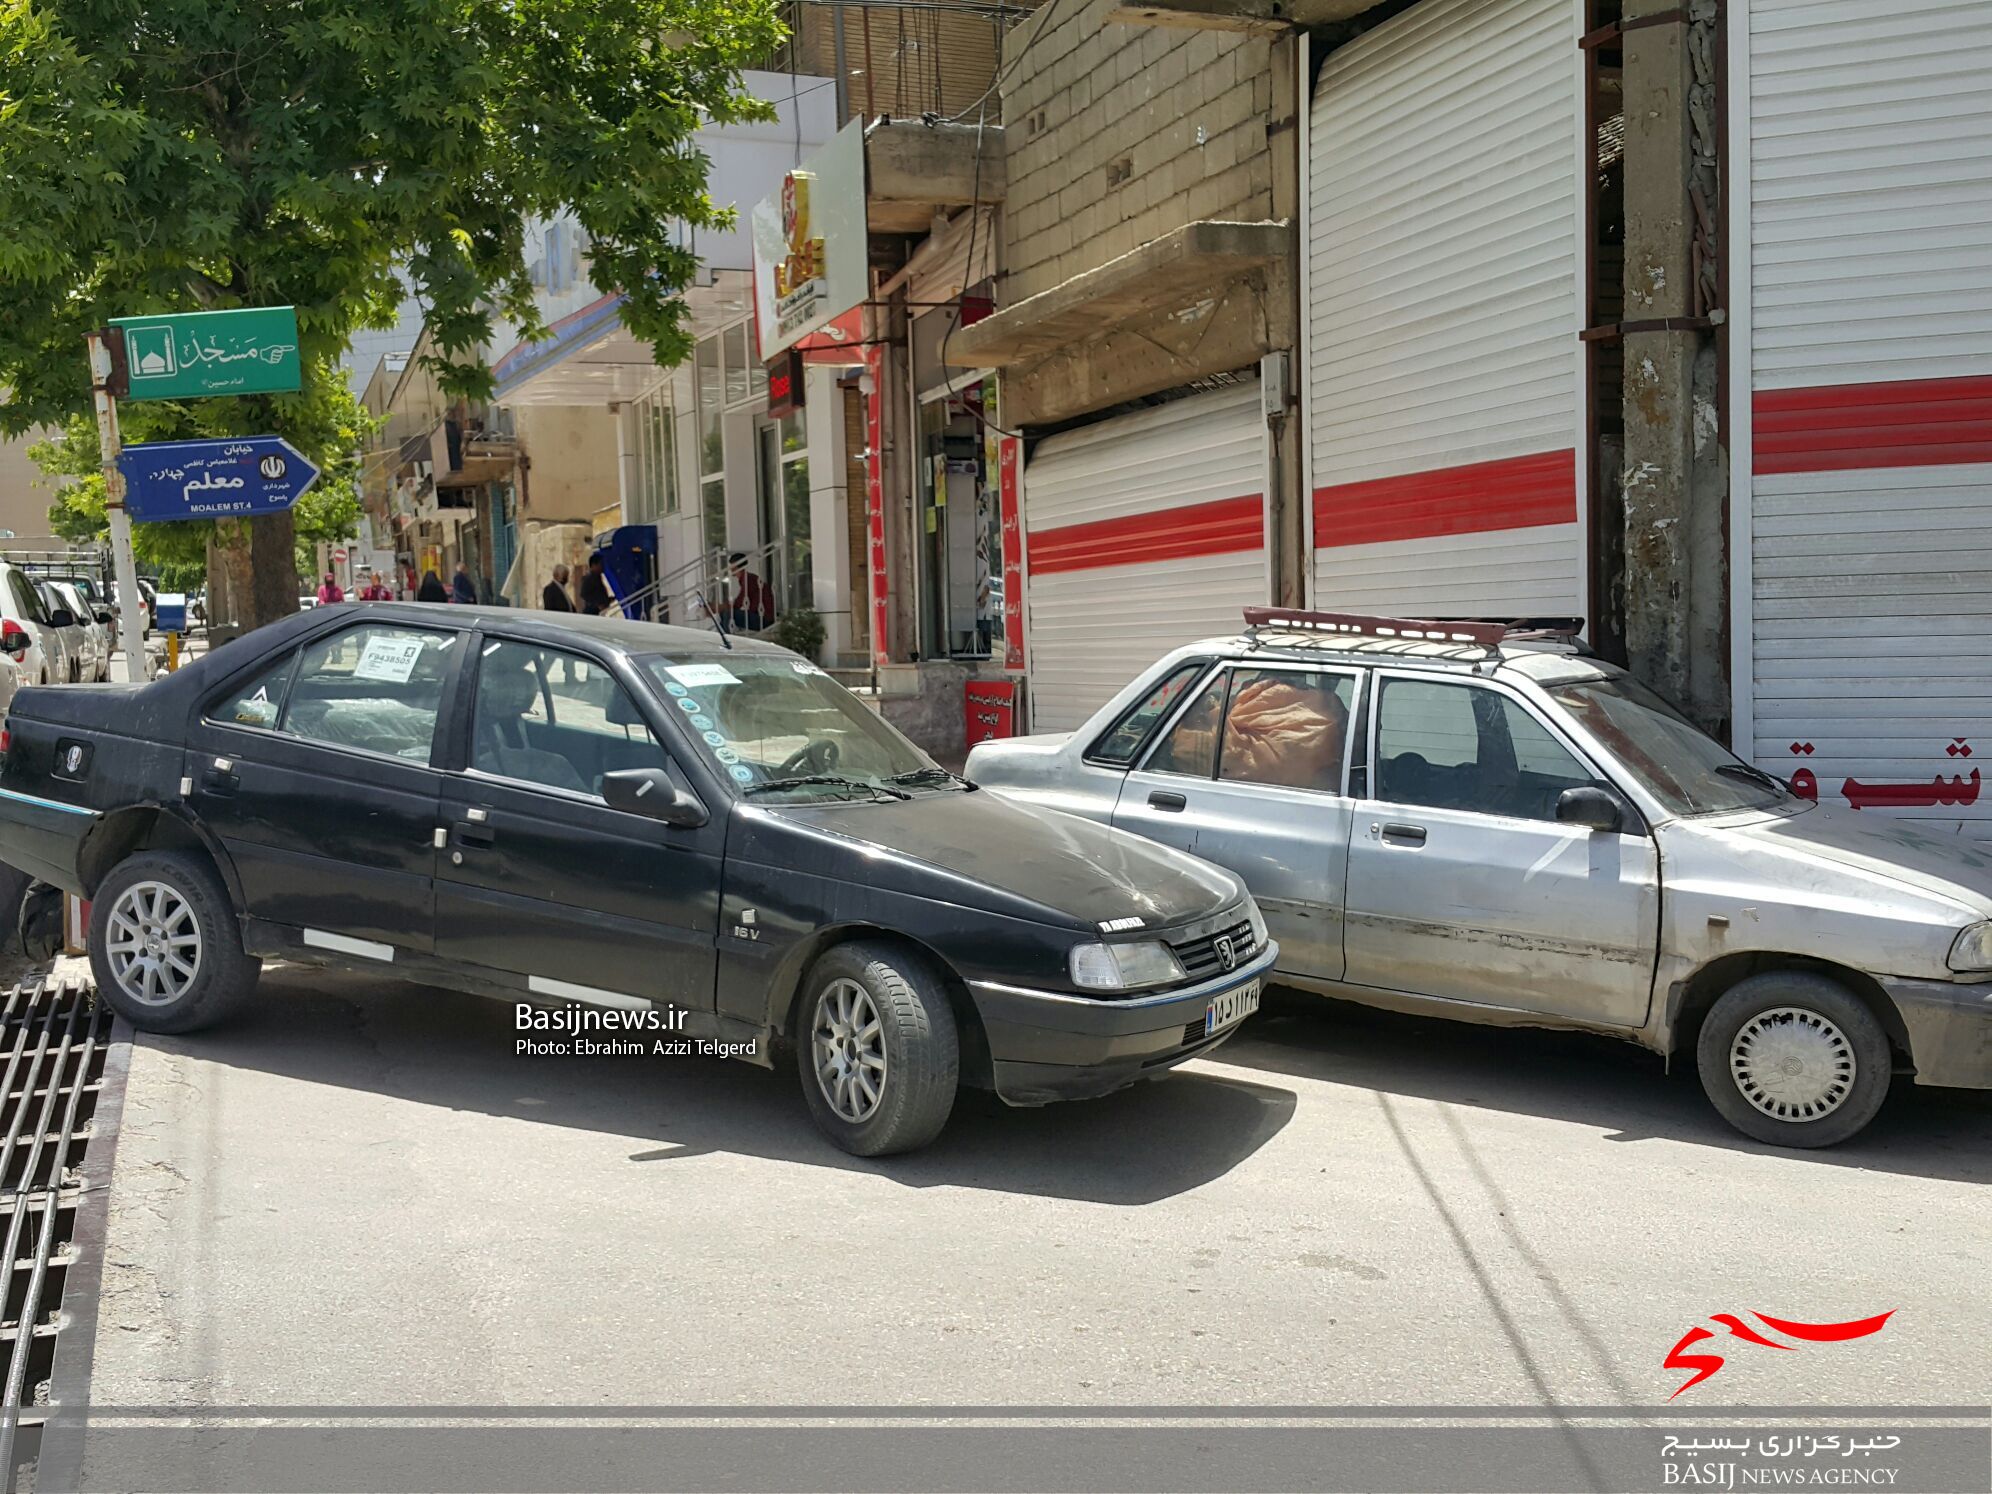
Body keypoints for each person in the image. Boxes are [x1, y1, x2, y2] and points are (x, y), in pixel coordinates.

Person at [727, 552, 774, 632]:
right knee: (727, 613)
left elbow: (740, 601)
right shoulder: (747, 578)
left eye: (731, 564)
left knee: (727, 613)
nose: (730, 567)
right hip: (759, 615)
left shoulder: (748, 579)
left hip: (763, 619)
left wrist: (722, 607)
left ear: (735, 564)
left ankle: (725, 638)